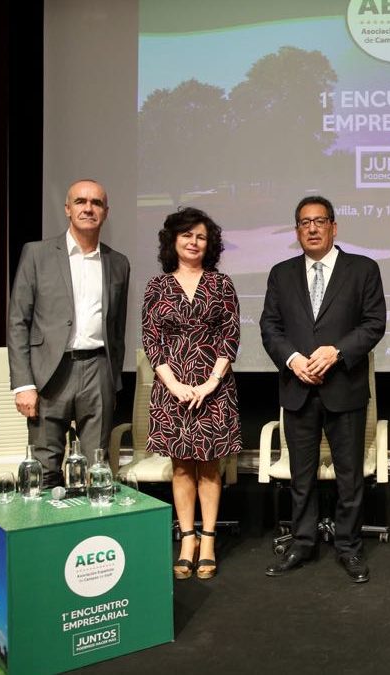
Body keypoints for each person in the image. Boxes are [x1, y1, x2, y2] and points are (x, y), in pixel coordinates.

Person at [260, 195, 386, 583]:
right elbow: (270, 328)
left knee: (349, 477)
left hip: (344, 387)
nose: (312, 228)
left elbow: (374, 323)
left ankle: (348, 547)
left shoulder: (363, 269)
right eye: (303, 222)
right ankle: (302, 543)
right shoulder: (281, 273)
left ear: (334, 226)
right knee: (302, 476)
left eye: (319, 221)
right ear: (297, 230)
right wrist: (294, 359)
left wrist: (337, 352)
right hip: (297, 388)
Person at [8, 179, 130, 488]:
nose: (88, 208)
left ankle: (91, 536)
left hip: (97, 371)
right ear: (67, 209)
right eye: (80, 201)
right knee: (44, 467)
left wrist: (112, 381)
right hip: (50, 373)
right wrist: (23, 384)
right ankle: (45, 535)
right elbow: (17, 322)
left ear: (106, 211)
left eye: (96, 203)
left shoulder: (118, 263)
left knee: (97, 468)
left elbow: (116, 330)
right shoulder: (36, 254)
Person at [143, 207, 241, 580]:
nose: (193, 242)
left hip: (213, 388)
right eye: (186, 235)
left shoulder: (221, 284)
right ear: (173, 241)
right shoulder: (157, 286)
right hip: (173, 389)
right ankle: (187, 540)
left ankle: (209, 540)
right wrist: (176, 385)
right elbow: (152, 341)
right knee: (182, 466)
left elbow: (230, 337)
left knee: (210, 466)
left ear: (209, 243)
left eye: (200, 236)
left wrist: (209, 383)